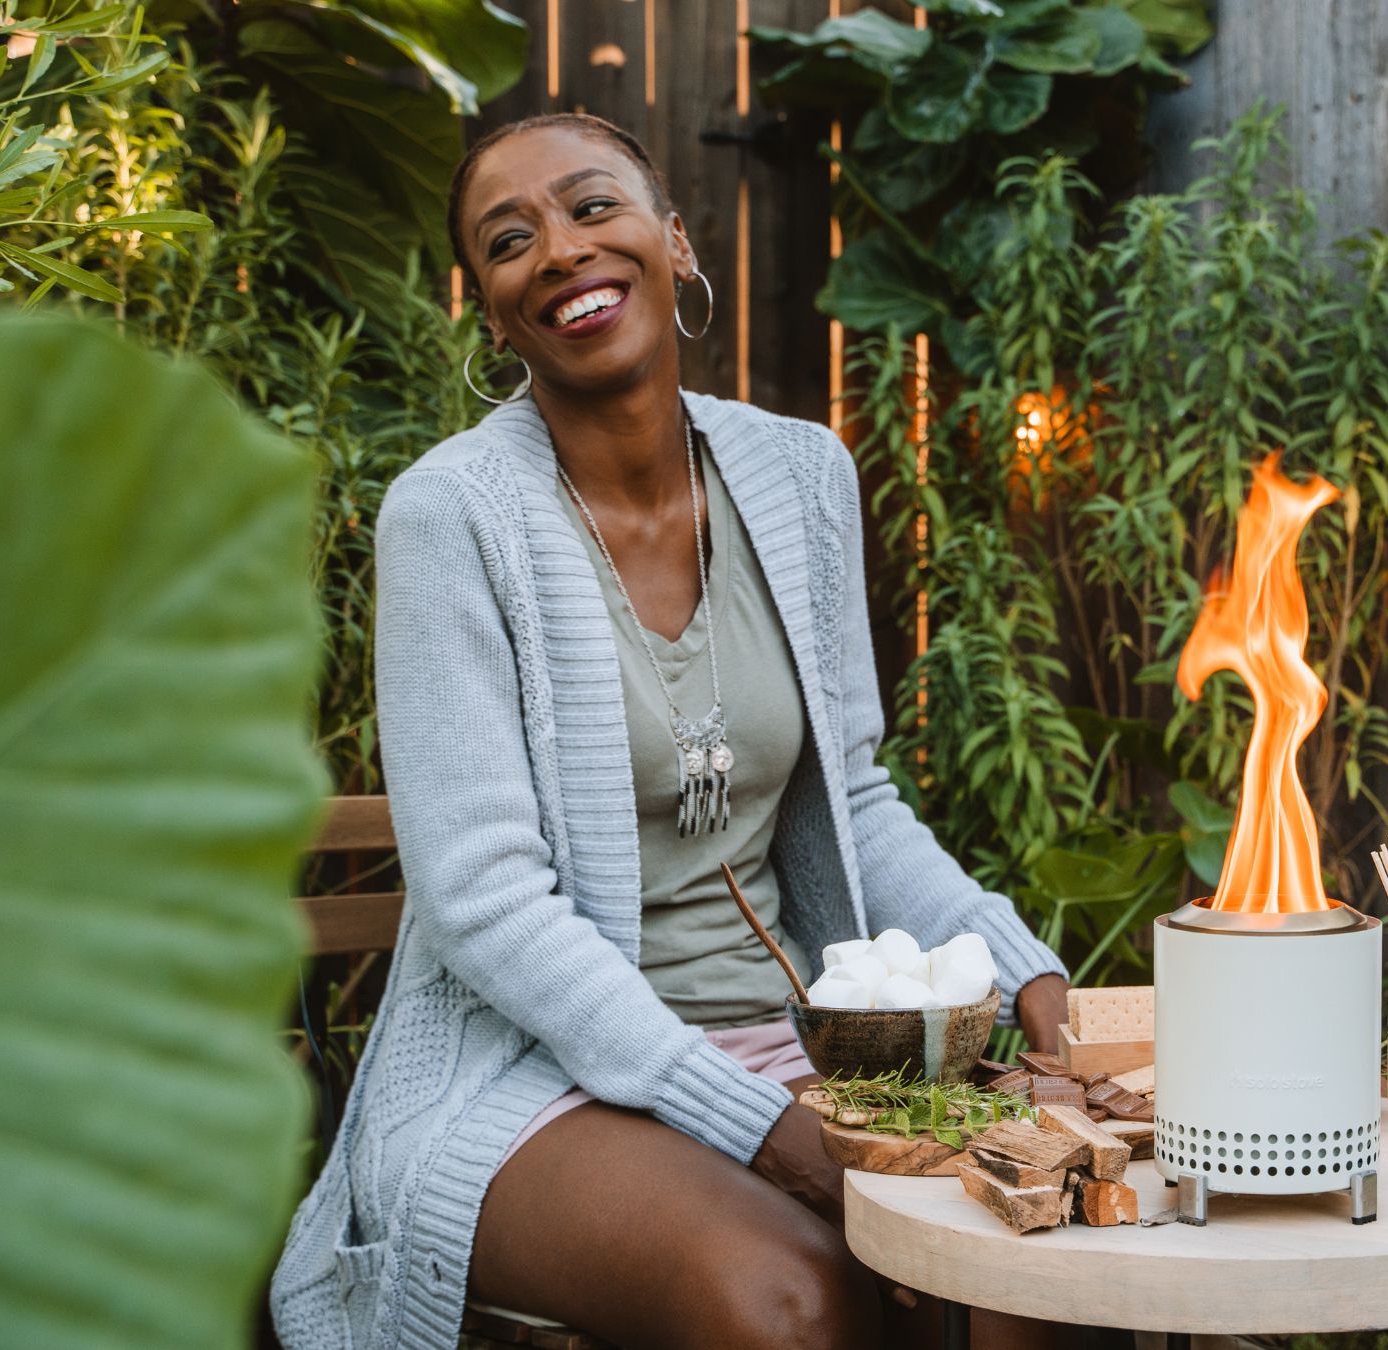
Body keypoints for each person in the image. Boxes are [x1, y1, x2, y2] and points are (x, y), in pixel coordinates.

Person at [268, 112, 1073, 1350]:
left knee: (1038, 1273)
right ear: (489, 309)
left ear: (674, 241)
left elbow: (852, 803)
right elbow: (484, 902)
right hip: (534, 1082)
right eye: (510, 240)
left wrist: (1025, 976)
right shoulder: (451, 519)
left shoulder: (803, 478)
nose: (561, 251)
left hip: (806, 1045)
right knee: (792, 1303)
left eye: (595, 208)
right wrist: (759, 1126)